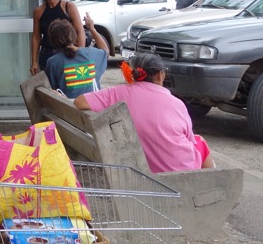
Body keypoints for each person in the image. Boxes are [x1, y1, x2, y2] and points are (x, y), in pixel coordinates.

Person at [73, 53, 215, 173]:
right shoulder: (176, 104)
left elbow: (79, 102)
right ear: (160, 75)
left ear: (134, 74)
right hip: (179, 171)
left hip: (139, 168)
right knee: (200, 142)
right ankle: (212, 183)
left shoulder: (118, 93)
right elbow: (189, 139)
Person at [31, 0, 85, 75]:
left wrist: (80, 54)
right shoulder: (38, 11)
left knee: (67, 83)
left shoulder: (69, 7)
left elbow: (80, 31)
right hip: (46, 54)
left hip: (67, 52)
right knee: (49, 88)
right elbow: (36, 37)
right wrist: (33, 62)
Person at [44, 14, 109, 99]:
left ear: (53, 41)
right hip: (94, 108)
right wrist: (92, 29)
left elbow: (53, 89)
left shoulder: (53, 62)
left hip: (69, 109)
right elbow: (106, 51)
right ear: (73, 35)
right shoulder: (91, 53)